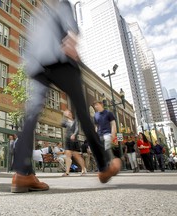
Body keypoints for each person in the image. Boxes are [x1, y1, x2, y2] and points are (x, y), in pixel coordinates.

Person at [11, 0, 121, 193]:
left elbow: (30, 41)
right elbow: (69, 28)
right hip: (59, 58)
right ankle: (104, 167)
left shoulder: (37, 12)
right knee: (82, 111)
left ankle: (22, 173)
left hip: (37, 64)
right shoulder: (61, 3)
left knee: (30, 117)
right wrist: (71, 41)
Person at [61, 109, 86, 176]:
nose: (68, 113)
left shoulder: (75, 121)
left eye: (69, 112)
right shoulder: (66, 121)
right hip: (67, 140)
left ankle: (83, 169)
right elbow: (62, 124)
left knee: (77, 156)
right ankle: (67, 172)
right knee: (68, 156)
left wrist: (74, 134)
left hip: (74, 141)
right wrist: (64, 115)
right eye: (67, 113)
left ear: (71, 113)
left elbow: (77, 129)